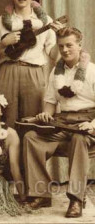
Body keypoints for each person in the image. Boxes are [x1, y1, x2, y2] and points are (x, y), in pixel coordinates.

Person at [23, 27, 95, 218]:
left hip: (87, 125)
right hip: (62, 123)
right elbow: (50, 102)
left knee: (79, 139)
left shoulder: (92, 71)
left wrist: (92, 125)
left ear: (79, 45)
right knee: (31, 137)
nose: (64, 50)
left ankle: (76, 198)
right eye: (61, 46)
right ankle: (41, 194)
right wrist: (46, 115)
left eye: (69, 45)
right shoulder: (56, 71)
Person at [0, 0, 63, 128]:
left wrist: (59, 40)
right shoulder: (0, 21)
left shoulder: (45, 20)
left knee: (33, 121)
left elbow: (53, 55)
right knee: (5, 119)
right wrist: (3, 44)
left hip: (34, 73)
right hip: (8, 71)